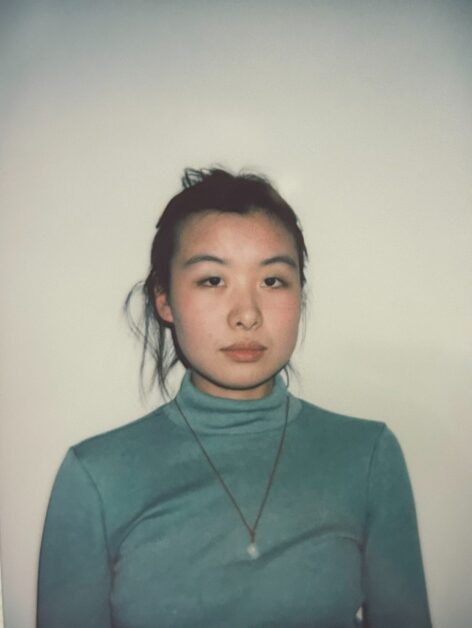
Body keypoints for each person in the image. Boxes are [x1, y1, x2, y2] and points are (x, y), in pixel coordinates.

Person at [37, 168, 432, 627]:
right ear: (164, 299)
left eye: (273, 281)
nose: (247, 315)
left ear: (300, 296)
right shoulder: (96, 477)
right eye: (211, 280)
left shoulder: (367, 455)